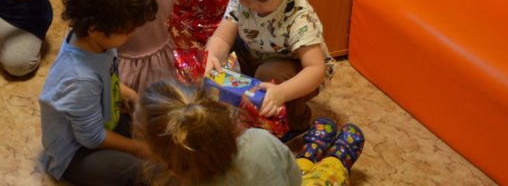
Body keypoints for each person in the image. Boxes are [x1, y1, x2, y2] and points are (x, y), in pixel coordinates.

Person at [39, 0, 158, 186]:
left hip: (100, 120)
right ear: (95, 29)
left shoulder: (94, 40)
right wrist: (139, 149)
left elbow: (106, 76)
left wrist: (128, 93)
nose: (131, 35)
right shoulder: (79, 78)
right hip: (74, 154)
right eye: (127, 31)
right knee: (137, 171)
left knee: (152, 129)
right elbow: (92, 138)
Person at [204, 0, 336, 137]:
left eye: (262, 0)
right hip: (255, 52)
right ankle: (250, 104)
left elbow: (315, 70)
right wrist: (211, 56)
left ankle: (298, 120)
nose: (252, 6)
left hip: (296, 70)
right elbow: (222, 37)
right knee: (220, 52)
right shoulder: (243, 0)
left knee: (269, 74)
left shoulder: (299, 16)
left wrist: (281, 93)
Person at [134, 80, 364, 185]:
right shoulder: (260, 141)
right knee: (317, 177)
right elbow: (293, 179)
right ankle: (334, 161)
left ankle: (310, 157)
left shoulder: (166, 179)